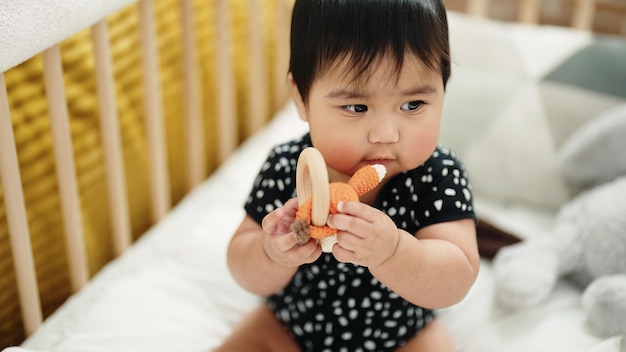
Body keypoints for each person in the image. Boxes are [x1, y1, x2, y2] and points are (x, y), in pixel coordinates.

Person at [215, 0, 479, 351]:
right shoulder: (287, 167)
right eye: (356, 107)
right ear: (301, 97)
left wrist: (394, 251)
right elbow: (240, 264)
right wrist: (271, 254)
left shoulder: (437, 176)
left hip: (401, 336)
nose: (386, 133)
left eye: (412, 105)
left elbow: (456, 280)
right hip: (290, 328)